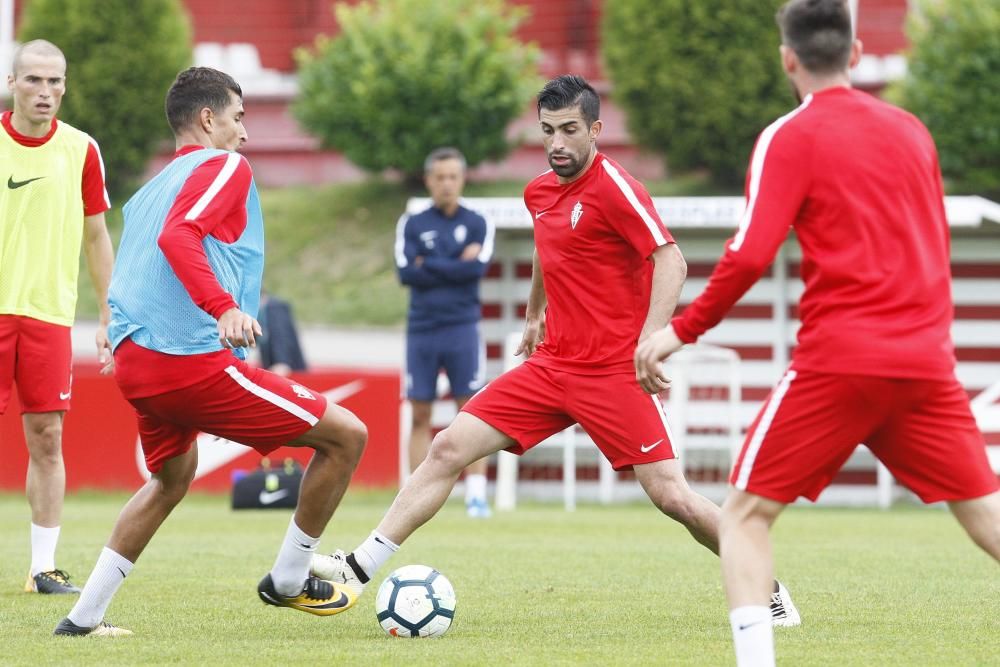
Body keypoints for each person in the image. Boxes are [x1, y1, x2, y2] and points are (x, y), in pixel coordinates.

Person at [312, 75, 799, 626]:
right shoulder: (539, 191)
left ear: (595, 128)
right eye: (548, 131)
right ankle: (358, 567)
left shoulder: (617, 187)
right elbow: (550, 245)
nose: (558, 143)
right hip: (552, 365)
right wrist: (534, 310)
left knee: (673, 498)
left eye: (570, 130)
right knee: (448, 447)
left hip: (615, 371)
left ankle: (766, 586)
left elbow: (672, 260)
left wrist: (653, 340)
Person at [633, 1, 1000, 665]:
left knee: (744, 517)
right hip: (923, 362)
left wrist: (678, 331)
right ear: (856, 54)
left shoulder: (788, 137)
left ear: (788, 59)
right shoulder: (914, 130)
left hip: (840, 364)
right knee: (985, 516)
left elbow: (749, 254)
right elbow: (936, 243)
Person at [52, 67, 367, 637]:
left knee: (170, 481)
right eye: (238, 118)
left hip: (137, 365)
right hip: (188, 361)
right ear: (207, 119)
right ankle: (290, 580)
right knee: (347, 435)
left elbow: (137, 265)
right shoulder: (225, 165)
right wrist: (223, 306)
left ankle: (82, 617)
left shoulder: (148, 191)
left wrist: (115, 333)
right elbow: (181, 236)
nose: (245, 134)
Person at [2, 39, 114, 595]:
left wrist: (108, 315)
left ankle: (42, 568)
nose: (45, 92)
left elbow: (96, 235)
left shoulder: (82, 150)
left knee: (46, 438)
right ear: (12, 83)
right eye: (34, 81)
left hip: (48, 317)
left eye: (55, 82)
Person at [395, 147, 495, 518]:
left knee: (471, 412)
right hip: (422, 329)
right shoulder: (412, 223)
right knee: (420, 413)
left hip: (463, 328)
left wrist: (431, 264)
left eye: (453, 176)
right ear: (428, 181)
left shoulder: (478, 221)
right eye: (440, 177)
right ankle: (413, 496)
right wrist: (454, 263)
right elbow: (407, 272)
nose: (447, 183)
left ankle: (476, 496)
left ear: (462, 179)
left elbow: (477, 270)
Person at [258, 290, 307, 376]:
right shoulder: (265, 310)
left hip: (288, 370)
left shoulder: (274, 308)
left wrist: (281, 361)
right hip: (277, 368)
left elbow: (280, 336)